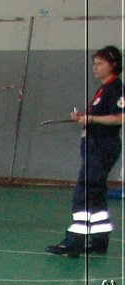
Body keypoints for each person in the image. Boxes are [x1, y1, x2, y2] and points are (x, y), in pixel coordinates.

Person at [46, 45, 123, 257]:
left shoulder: (116, 88)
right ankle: (99, 240)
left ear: (113, 65)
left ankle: (74, 241)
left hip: (102, 146)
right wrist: (83, 119)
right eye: (94, 64)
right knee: (96, 194)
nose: (95, 68)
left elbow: (120, 117)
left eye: (100, 64)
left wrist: (92, 119)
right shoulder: (103, 90)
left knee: (84, 193)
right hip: (94, 145)